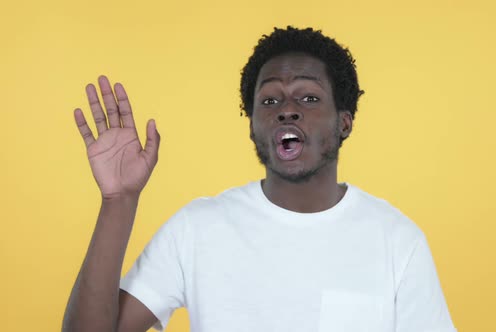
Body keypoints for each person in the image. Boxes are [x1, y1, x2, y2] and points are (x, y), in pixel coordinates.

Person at [63, 27, 457, 332]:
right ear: (252, 126)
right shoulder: (198, 228)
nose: (287, 109)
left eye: (308, 97)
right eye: (269, 101)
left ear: (344, 121)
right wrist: (119, 202)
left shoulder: (397, 242)